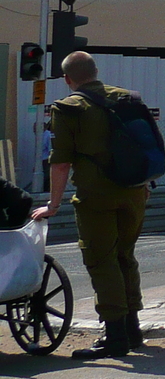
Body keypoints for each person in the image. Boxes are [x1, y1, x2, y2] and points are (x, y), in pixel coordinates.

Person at [30, 52, 150, 359]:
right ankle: (133, 331)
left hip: (97, 196)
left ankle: (115, 338)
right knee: (125, 256)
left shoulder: (69, 108)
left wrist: (52, 205)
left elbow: (60, 163)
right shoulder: (127, 98)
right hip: (136, 191)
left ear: (68, 80)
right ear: (96, 73)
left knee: (102, 261)